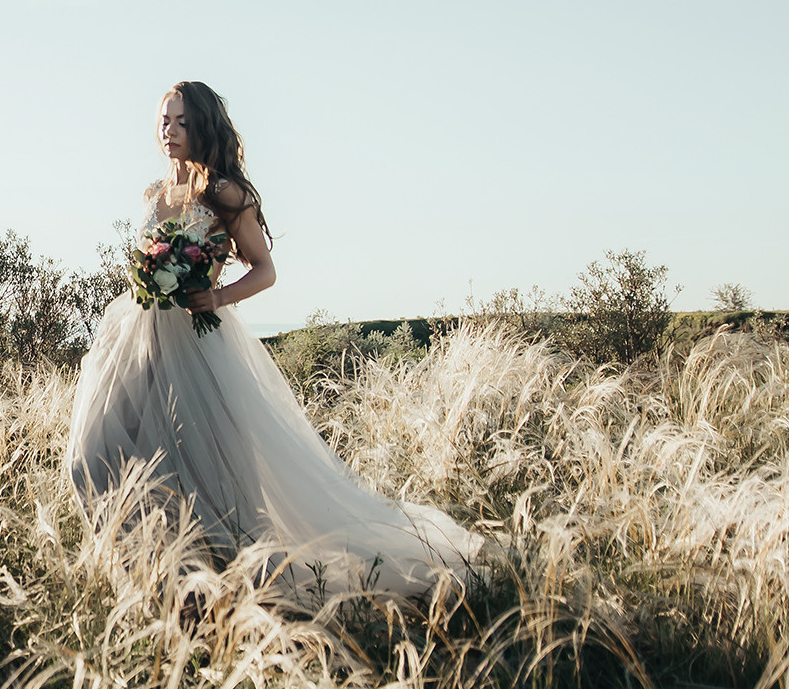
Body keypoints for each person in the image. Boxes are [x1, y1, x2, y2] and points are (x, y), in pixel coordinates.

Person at [64, 81, 480, 594]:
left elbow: (265, 270)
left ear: (203, 127)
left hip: (198, 344)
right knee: (94, 456)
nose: (170, 131)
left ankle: (227, 586)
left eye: (183, 122)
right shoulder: (154, 193)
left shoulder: (223, 194)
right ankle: (150, 576)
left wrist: (216, 296)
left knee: (212, 476)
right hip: (140, 340)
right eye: (164, 121)